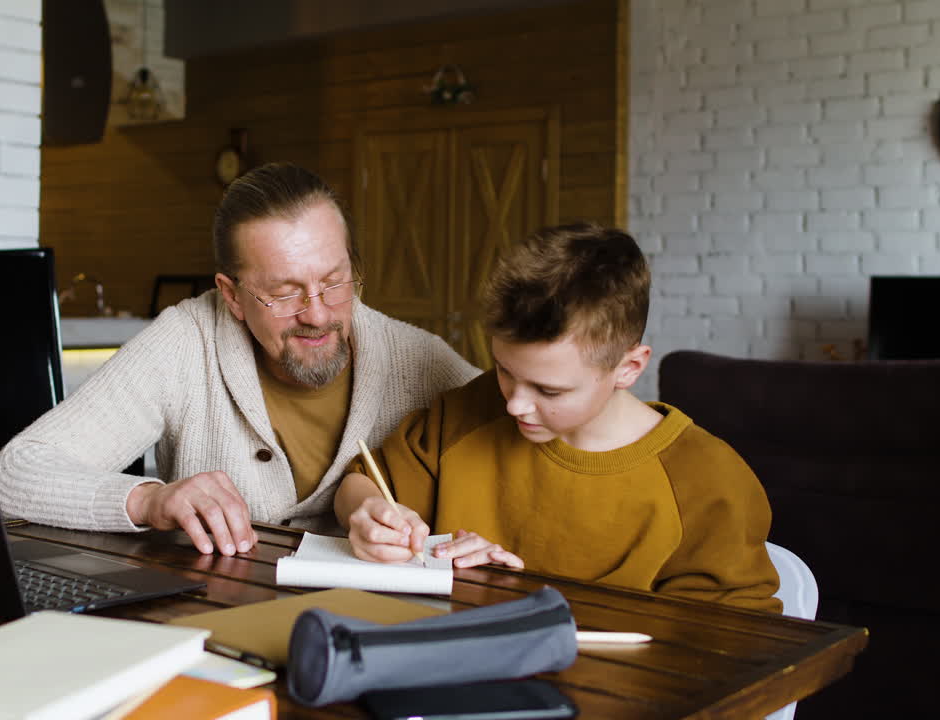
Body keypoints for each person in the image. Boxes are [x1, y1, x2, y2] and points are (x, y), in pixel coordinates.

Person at [0, 163, 478, 556]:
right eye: (284, 293)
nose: (317, 313)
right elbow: (13, 474)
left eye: (334, 281)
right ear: (232, 296)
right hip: (212, 626)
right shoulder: (186, 341)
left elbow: (530, 432)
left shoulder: (417, 360)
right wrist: (150, 499)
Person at [334, 222, 781, 611]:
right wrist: (370, 513)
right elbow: (360, 483)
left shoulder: (707, 480)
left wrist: (523, 599)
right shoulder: (469, 413)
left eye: (549, 390)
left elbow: (732, 644)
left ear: (629, 367)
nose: (514, 405)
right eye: (505, 370)